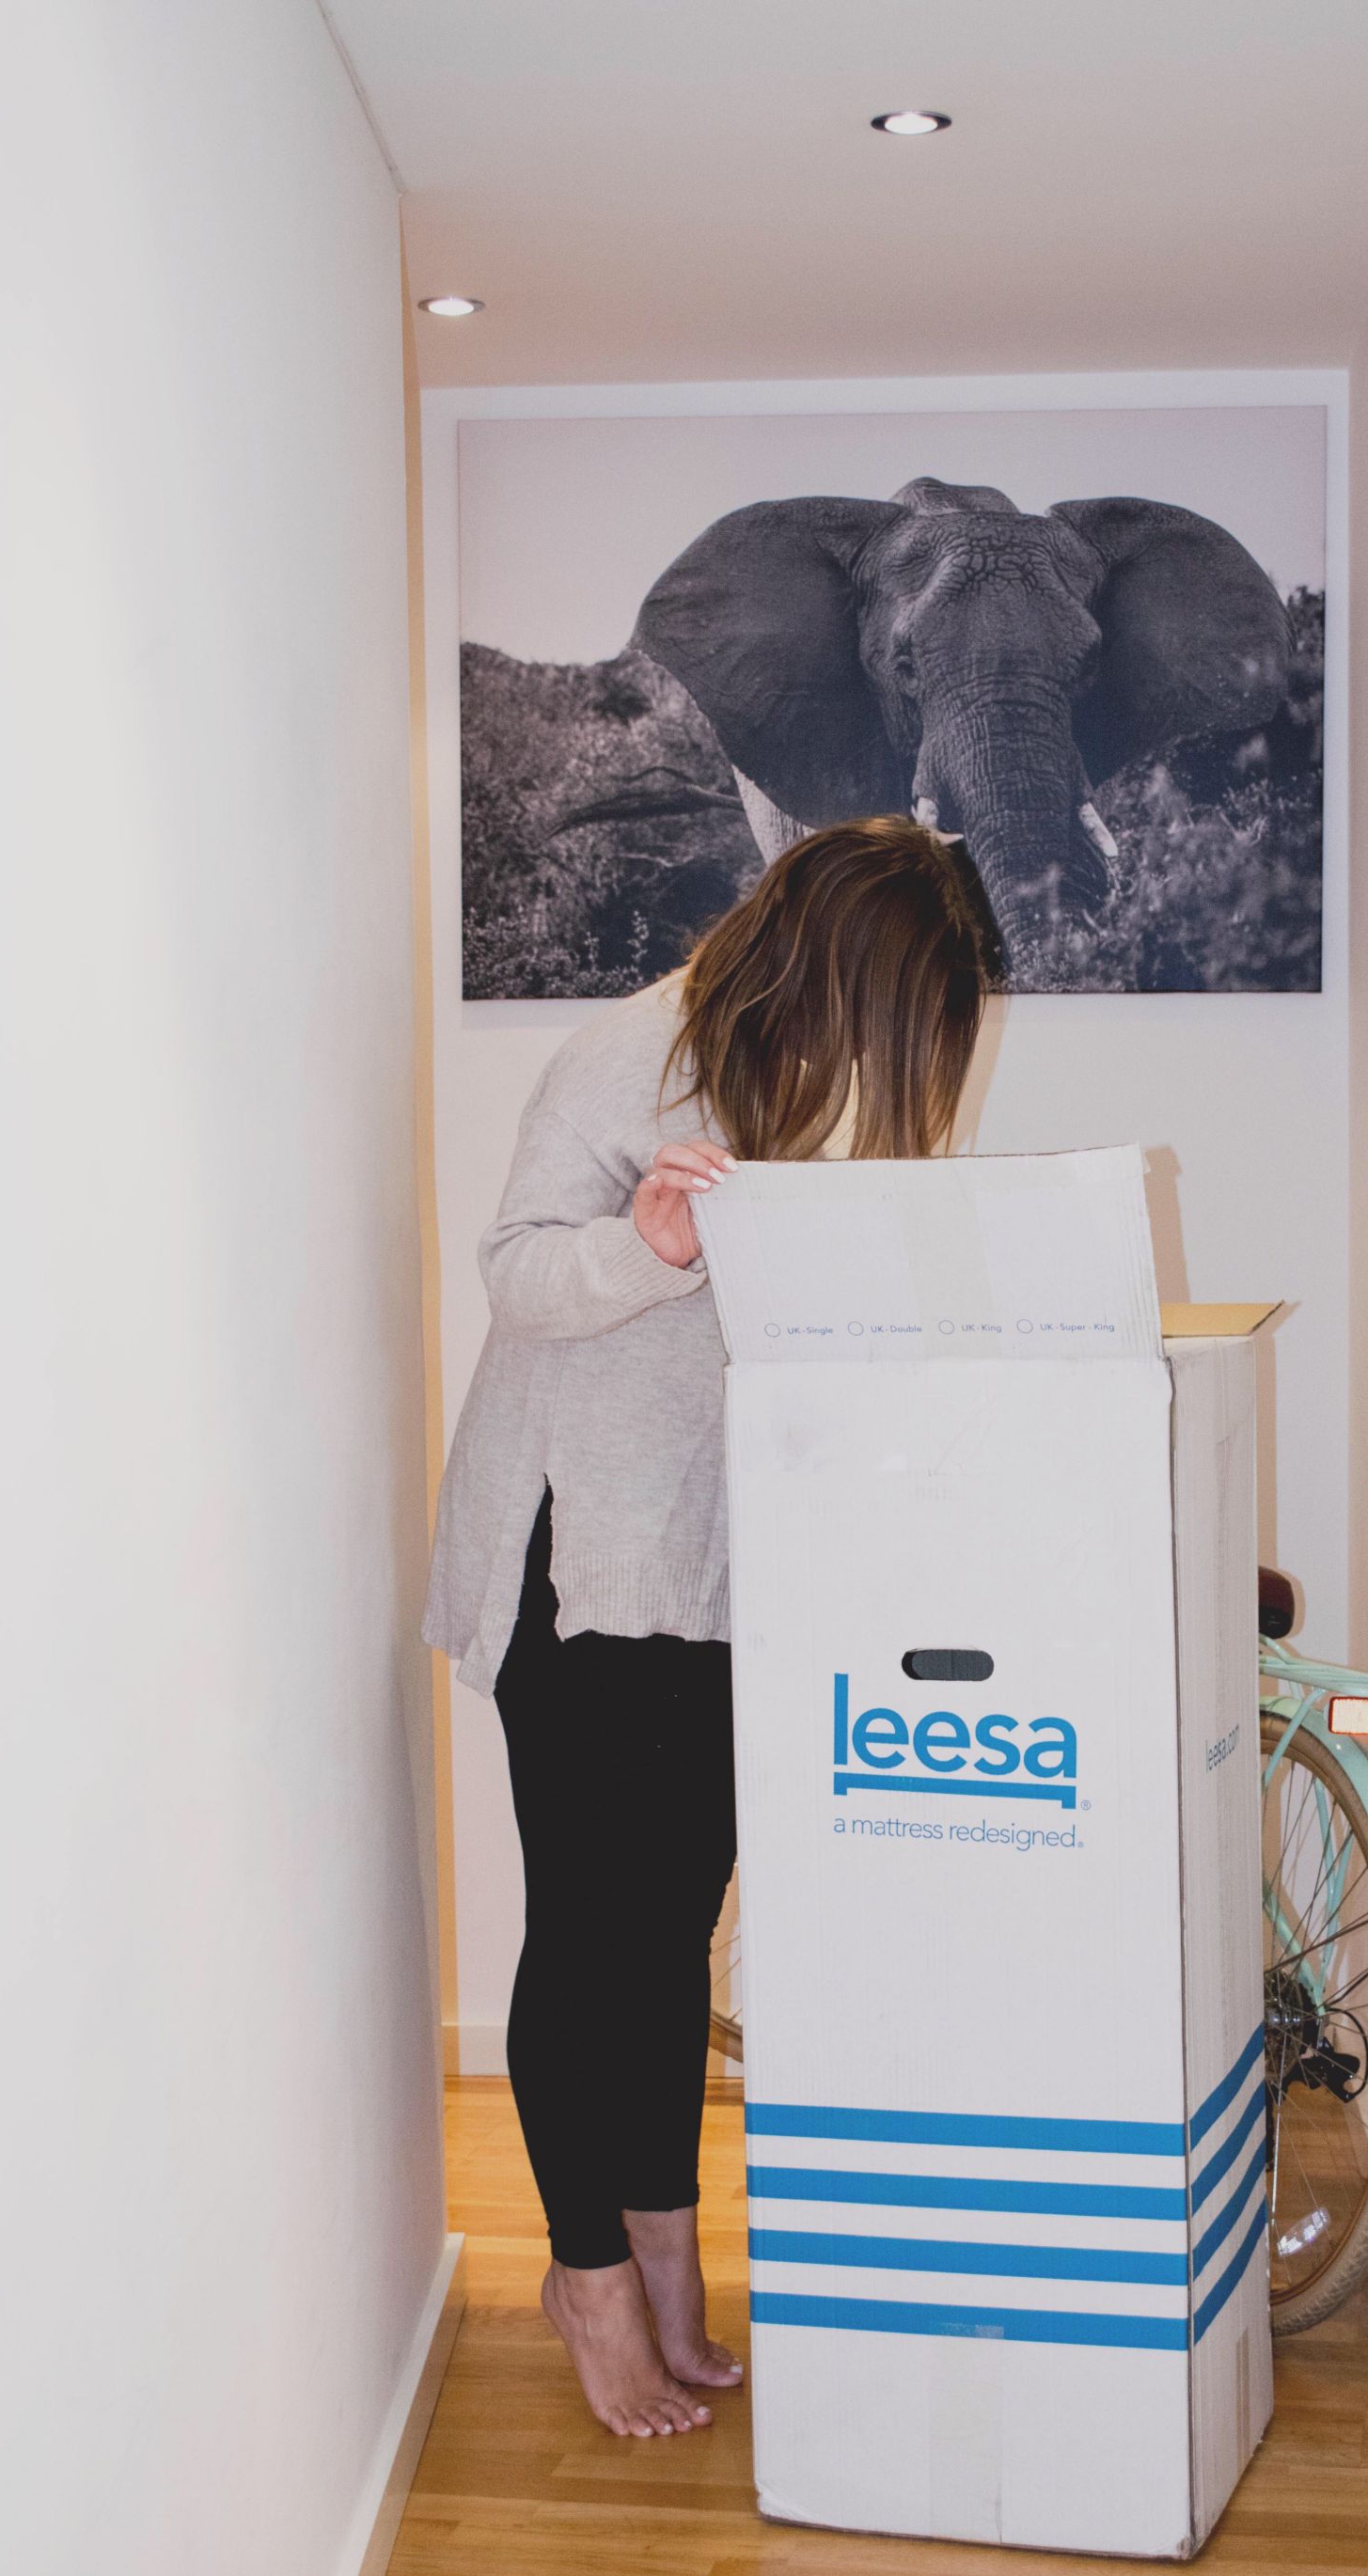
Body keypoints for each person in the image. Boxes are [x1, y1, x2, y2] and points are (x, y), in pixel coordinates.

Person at [424, 819, 998, 2439]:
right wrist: (650, 1246)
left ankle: (665, 2246)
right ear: (832, 965)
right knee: (590, 1931)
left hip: (721, 1563)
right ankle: (588, 2275)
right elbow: (518, 1273)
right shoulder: (634, 1053)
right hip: (583, 1555)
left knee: (672, 1925)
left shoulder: (810, 1084)